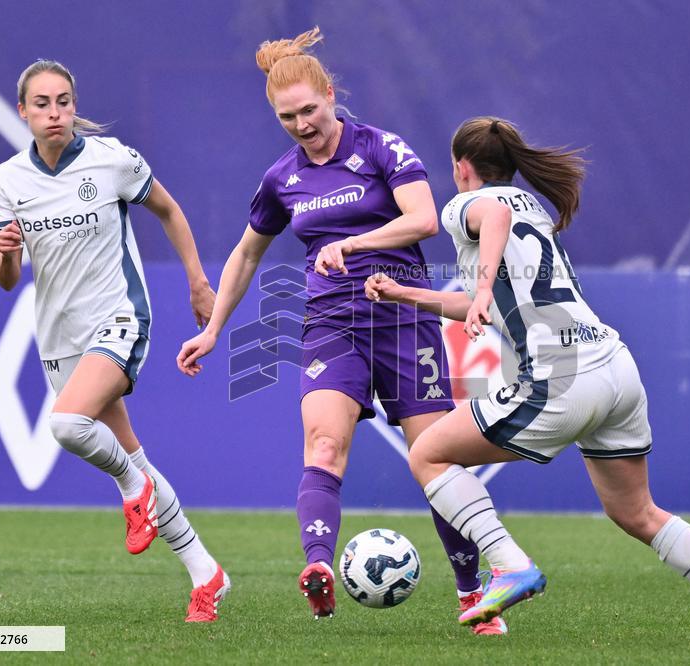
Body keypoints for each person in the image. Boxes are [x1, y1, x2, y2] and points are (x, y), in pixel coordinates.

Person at [364, 116, 690, 647]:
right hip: (614, 367)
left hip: (560, 377)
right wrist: (407, 295)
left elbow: (488, 217)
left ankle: (509, 565)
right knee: (636, 511)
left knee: (428, 455)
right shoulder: (531, 207)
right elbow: (478, 304)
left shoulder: (468, 204)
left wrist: (486, 285)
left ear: (461, 168)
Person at [175, 28, 505, 634]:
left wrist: (353, 242)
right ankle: (319, 572)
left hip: (406, 320)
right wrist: (215, 329)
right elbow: (247, 255)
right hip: (331, 323)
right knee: (323, 446)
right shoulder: (281, 178)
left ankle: (470, 594)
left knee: (437, 463)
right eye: (287, 117)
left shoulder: (381, 148)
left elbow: (424, 219)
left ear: (330, 95)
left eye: (310, 109)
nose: (302, 124)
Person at [0, 60, 229, 622]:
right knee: (135, 454)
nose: (55, 113)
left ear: (75, 105)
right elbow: (7, 281)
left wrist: (197, 282)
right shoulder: (10, 179)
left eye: (64, 101)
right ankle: (207, 574)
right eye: (43, 104)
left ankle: (131, 490)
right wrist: (6, 252)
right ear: (22, 110)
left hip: (118, 319)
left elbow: (169, 210)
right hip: (59, 337)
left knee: (67, 425)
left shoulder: (111, 160)